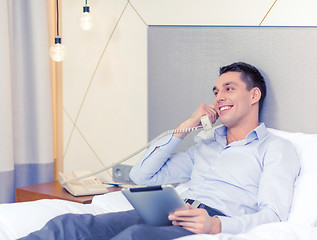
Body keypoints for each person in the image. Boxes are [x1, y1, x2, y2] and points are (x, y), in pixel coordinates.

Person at [19, 62, 300, 240]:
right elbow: (142, 175)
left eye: (228, 88)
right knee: (69, 225)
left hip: (211, 220)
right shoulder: (205, 146)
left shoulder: (276, 149)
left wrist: (215, 225)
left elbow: (273, 215)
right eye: (216, 91)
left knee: (134, 237)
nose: (219, 97)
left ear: (253, 96)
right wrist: (186, 126)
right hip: (173, 210)